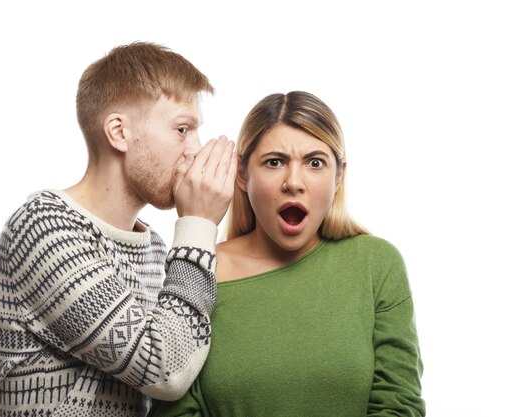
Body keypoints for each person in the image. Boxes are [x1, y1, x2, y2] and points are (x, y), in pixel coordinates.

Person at [0, 42, 237, 417]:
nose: (194, 150)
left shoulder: (152, 245)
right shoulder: (43, 227)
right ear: (119, 133)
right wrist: (199, 224)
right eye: (182, 129)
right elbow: (165, 369)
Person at [149, 91, 426, 416]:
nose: (293, 182)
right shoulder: (199, 271)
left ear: (338, 176)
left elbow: (399, 405)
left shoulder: (376, 264)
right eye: (274, 162)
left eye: (315, 163)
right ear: (242, 174)